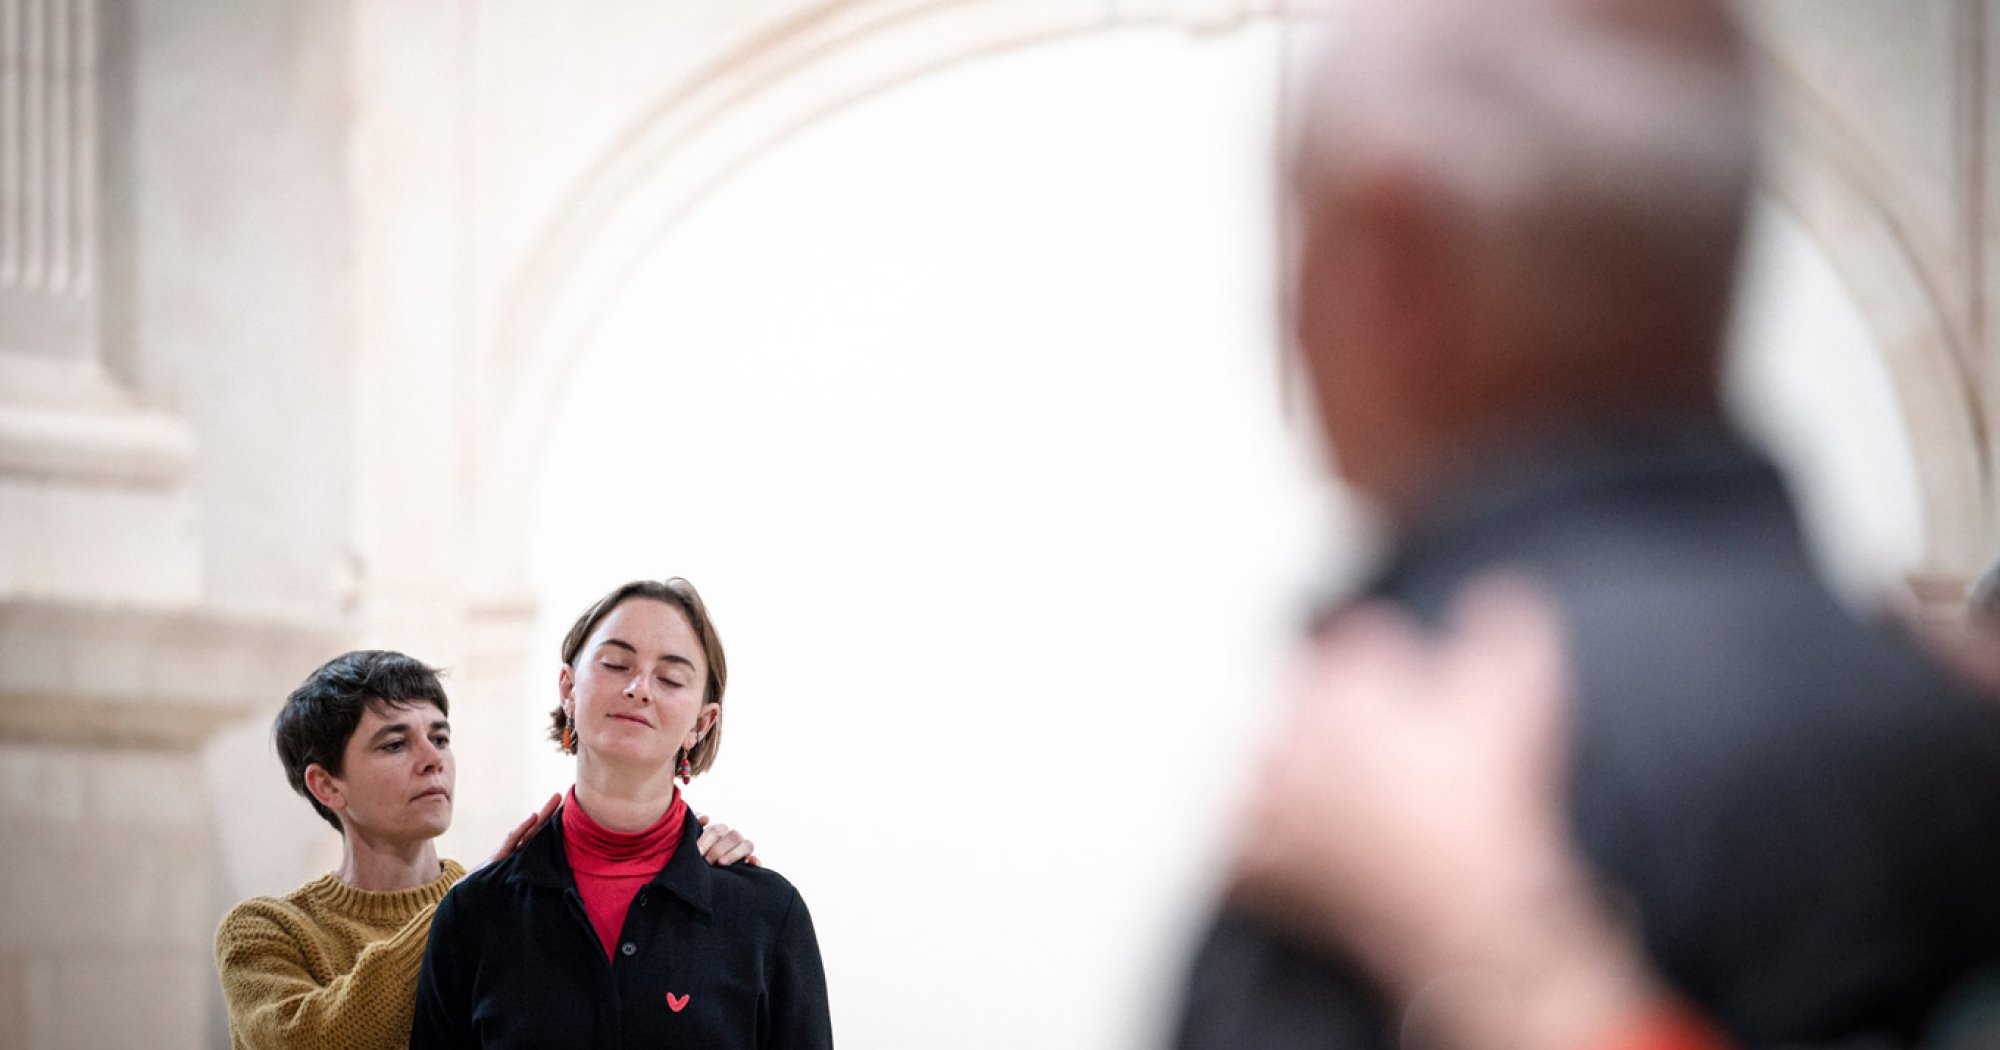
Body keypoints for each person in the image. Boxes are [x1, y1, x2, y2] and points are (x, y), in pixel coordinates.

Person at [1172, 0, 2000, 1046]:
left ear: (1393, 267)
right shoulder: (1948, 741)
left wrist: (1504, 959)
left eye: (1296, 237)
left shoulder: (1375, 812)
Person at [214, 649, 758, 1050]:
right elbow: (315, 1041)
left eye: (441, 737)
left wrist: (686, 855)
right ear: (327, 785)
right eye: (396, 743)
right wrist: (461, 908)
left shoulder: (505, 909)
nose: (433, 759)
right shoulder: (263, 931)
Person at [411, 578, 832, 1048]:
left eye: (670, 678)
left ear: (701, 722)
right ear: (568, 689)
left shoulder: (768, 915)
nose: (639, 689)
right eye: (615, 664)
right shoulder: (475, 913)